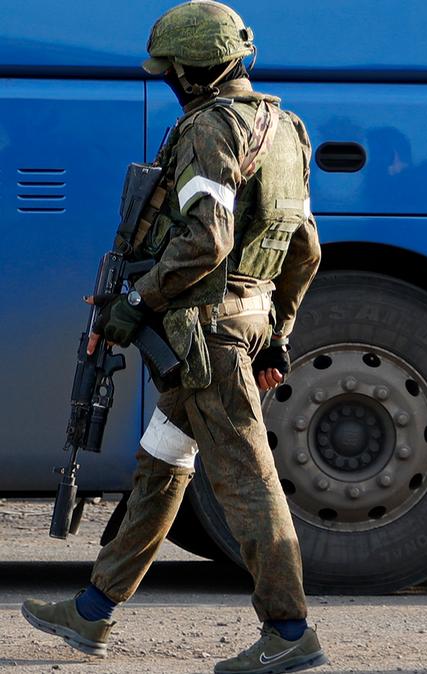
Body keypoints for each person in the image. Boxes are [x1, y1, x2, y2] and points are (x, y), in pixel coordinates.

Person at [21, 2, 327, 673]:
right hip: (243, 324)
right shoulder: (286, 128)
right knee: (161, 466)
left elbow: (206, 242)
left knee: (246, 482)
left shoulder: (208, 129)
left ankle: (289, 631)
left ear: (193, 73)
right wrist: (278, 335)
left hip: (207, 336)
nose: (168, 81)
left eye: (172, 71)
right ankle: (93, 612)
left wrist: (135, 299)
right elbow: (304, 249)